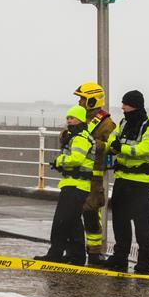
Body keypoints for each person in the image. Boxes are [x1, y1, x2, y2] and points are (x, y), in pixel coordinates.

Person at [103, 90, 149, 274]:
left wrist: (121, 148)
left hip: (141, 183)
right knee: (120, 222)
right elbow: (112, 139)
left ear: (134, 105)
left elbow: (145, 149)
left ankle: (144, 263)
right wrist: (113, 146)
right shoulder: (123, 123)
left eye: (125, 104)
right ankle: (120, 258)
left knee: (142, 225)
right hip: (122, 179)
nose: (122, 107)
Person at [34, 105, 96, 266]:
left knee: (61, 221)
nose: (69, 120)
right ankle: (77, 257)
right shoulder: (77, 136)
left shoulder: (80, 138)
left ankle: (55, 254)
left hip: (76, 185)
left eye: (72, 118)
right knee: (73, 222)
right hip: (75, 184)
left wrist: (59, 161)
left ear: (80, 119)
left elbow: (76, 159)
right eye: (68, 118)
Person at [72, 82, 117, 266]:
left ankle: (94, 253)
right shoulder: (79, 117)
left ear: (92, 100)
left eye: (83, 99)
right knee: (73, 214)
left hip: (94, 176)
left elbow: (111, 147)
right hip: (76, 174)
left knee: (91, 214)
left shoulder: (106, 123)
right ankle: (75, 252)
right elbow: (67, 134)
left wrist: (89, 143)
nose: (79, 102)